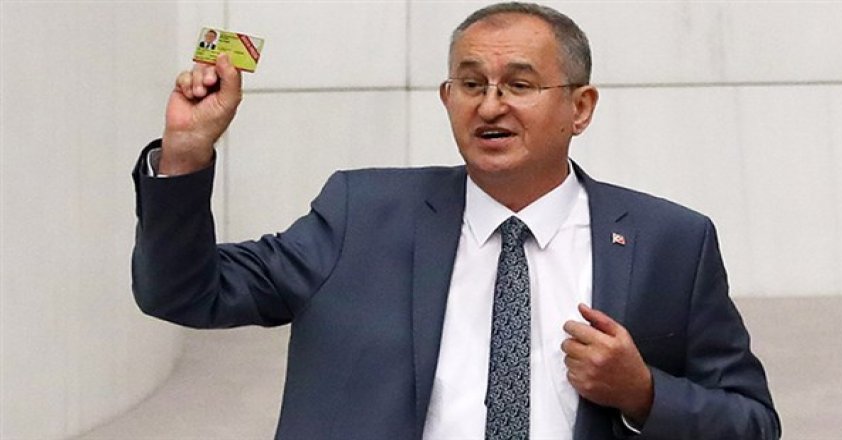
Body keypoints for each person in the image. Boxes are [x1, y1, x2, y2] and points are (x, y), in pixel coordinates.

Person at [132, 2, 780, 439]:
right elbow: (183, 291)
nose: (490, 105)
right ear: (448, 99)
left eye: (519, 85)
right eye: (471, 84)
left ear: (580, 108)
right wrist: (186, 154)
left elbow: (751, 423)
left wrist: (643, 394)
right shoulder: (361, 215)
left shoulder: (670, 242)